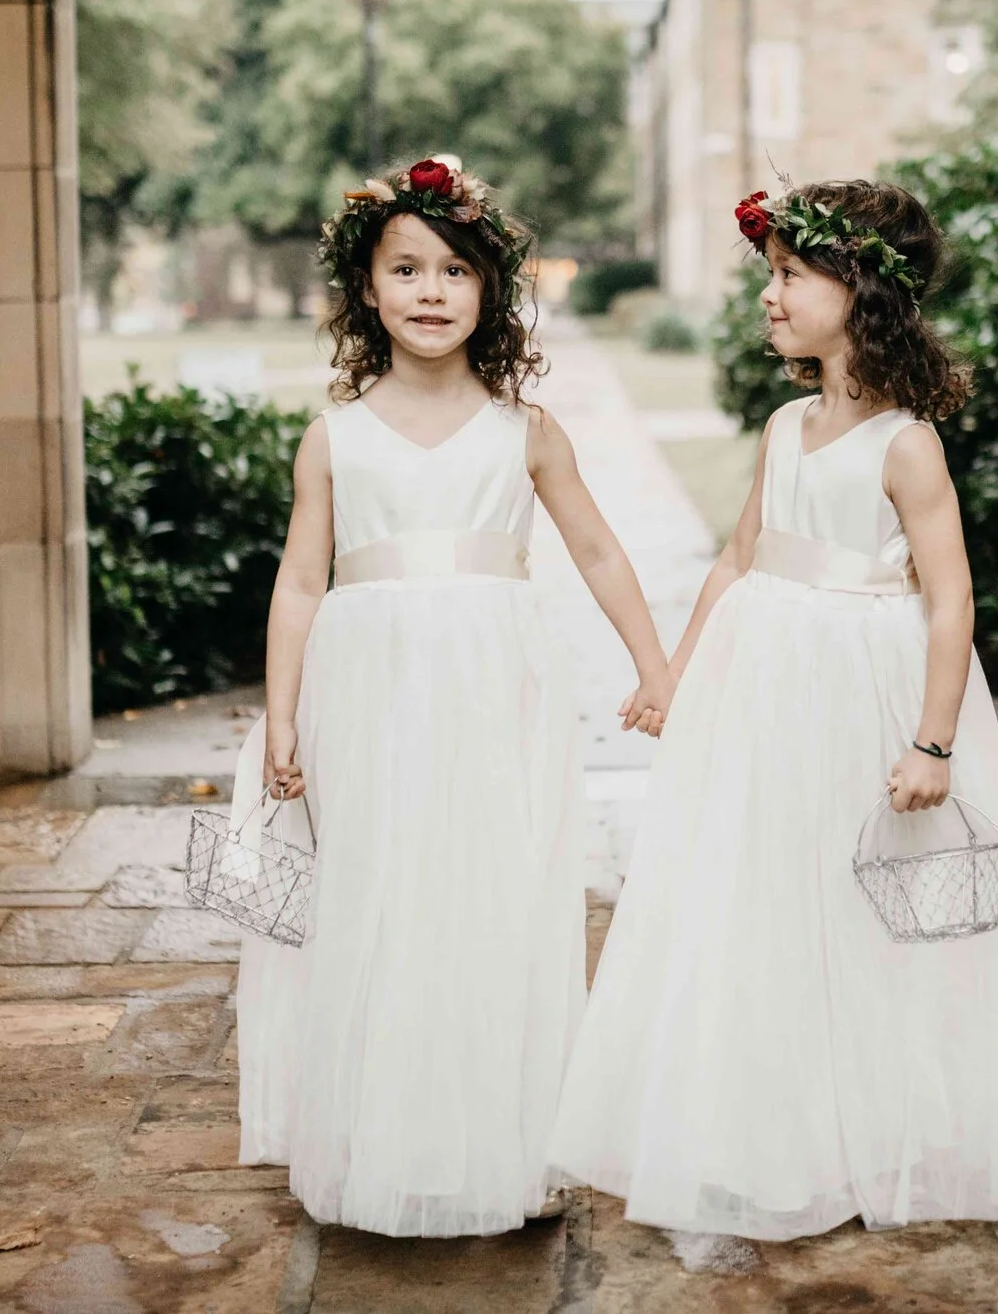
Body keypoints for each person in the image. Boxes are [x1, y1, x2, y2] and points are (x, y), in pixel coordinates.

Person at [548, 179, 998, 1246]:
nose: (770, 293)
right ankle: (776, 1124)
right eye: (771, 273)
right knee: (764, 892)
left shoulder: (904, 442)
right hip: (765, 684)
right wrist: (676, 674)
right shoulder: (783, 422)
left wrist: (933, 739)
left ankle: (886, 1125)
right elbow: (738, 554)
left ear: (860, 290)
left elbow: (949, 599)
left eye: (791, 273)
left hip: (860, 686)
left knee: (868, 899)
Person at [236, 155, 674, 1237]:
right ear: (365, 288)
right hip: (368, 687)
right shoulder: (331, 436)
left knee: (488, 892)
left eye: (455, 271)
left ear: (489, 292)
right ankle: (378, 1130)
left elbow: (599, 551)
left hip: (493, 686)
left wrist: (654, 664)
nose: (431, 290)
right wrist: (282, 710)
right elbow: (301, 578)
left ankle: (495, 1134)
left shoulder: (524, 431)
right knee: (379, 895)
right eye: (406, 268)